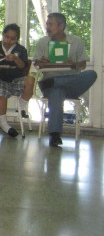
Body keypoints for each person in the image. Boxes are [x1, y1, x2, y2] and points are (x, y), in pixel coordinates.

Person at [34, 12, 97, 147]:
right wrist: (42, 62)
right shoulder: (43, 42)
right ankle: (55, 135)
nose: (47, 27)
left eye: (51, 24)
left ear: (61, 26)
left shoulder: (76, 41)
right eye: (47, 24)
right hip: (51, 85)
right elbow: (36, 63)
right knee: (57, 91)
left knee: (92, 74)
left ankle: (55, 82)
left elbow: (82, 65)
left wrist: (72, 64)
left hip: (71, 85)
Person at [0, 23, 35, 137]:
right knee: (1, 92)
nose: (9, 41)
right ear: (3, 35)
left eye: (13, 39)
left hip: (15, 80)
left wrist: (15, 58)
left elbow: (23, 66)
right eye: (7, 37)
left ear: (17, 39)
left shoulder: (21, 50)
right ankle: (4, 124)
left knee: (31, 80)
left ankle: (20, 107)